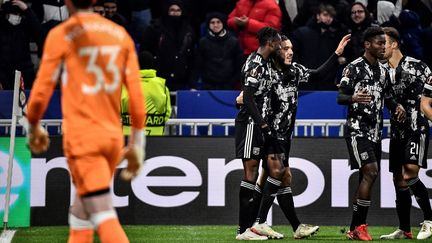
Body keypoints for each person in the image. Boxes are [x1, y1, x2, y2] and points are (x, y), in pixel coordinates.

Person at [25, 0, 146, 242]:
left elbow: (40, 93)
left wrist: (33, 127)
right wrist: (137, 144)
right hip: (112, 139)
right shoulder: (120, 34)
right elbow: (136, 96)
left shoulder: (62, 33)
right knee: (81, 211)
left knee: (102, 211)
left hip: (83, 138)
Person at [237, 33, 351, 240]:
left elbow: (317, 75)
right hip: (268, 132)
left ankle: (285, 226)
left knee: (280, 176)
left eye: (292, 49)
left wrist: (336, 54)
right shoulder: (266, 69)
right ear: (276, 50)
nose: (290, 52)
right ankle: (257, 223)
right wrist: (243, 98)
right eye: (285, 48)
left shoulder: (295, 70)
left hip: (284, 133)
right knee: (276, 173)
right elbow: (249, 93)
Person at [337, 26, 404, 241]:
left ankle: (353, 228)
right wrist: (353, 98)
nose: (383, 47)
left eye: (384, 43)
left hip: (375, 132)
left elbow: (386, 95)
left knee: (366, 177)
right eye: (379, 43)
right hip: (357, 130)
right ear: (367, 45)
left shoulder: (383, 71)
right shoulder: (353, 68)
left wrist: (396, 106)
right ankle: (361, 227)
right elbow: (341, 96)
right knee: (371, 172)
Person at [379, 27, 432, 240]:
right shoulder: (380, 71)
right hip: (397, 130)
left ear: (394, 44)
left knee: (410, 172)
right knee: (398, 179)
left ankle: (429, 220)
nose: (381, 47)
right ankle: (404, 229)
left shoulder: (419, 67)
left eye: (384, 43)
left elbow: (428, 99)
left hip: (416, 126)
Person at [234, 26, 281, 241]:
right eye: (278, 41)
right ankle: (243, 230)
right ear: (270, 42)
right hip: (251, 124)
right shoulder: (255, 64)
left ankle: (251, 226)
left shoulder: (265, 63)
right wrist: (262, 124)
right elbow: (249, 97)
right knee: (250, 173)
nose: (280, 45)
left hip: (260, 124)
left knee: (266, 172)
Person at [140, 0, 195, 91]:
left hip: (181, 79)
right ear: (167, 11)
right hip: (158, 79)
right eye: (172, 10)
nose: (175, 13)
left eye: (178, 10)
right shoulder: (154, 28)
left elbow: (191, 56)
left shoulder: (188, 31)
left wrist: (191, 81)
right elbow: (145, 52)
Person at [290, 3, 345, 90]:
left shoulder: (334, 37)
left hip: (326, 84)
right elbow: (293, 55)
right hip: (304, 83)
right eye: (325, 15)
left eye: (331, 16)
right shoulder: (301, 33)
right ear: (318, 16)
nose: (328, 19)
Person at [121, 51, 172, 136]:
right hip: (156, 140)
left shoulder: (126, 84)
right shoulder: (161, 86)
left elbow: (119, 109)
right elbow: (167, 113)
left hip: (130, 139)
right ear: (152, 65)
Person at [190, 12, 244, 90]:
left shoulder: (233, 41)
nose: (215, 25)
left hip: (229, 85)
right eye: (212, 22)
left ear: (223, 24)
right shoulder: (203, 42)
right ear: (208, 25)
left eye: (218, 22)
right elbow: (197, 64)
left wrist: (232, 82)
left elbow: (239, 65)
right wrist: (193, 84)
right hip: (207, 85)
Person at [0, 0, 42, 90]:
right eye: (15, 14)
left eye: (19, 15)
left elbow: (39, 32)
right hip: (5, 74)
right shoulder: (2, 27)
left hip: (25, 72)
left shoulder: (24, 26)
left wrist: (27, 10)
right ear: (7, 15)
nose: (17, 17)